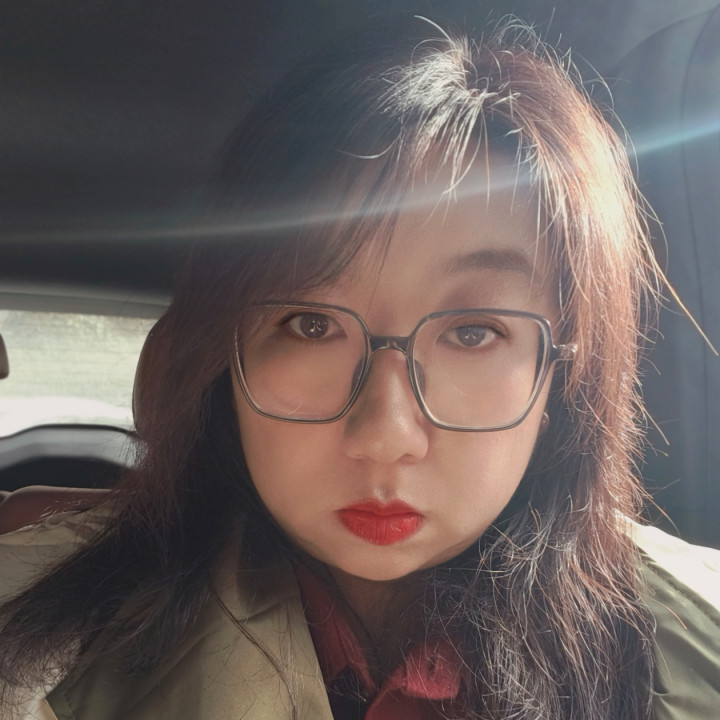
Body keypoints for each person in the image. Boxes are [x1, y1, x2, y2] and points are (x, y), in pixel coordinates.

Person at [1, 15, 719, 720]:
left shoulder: (699, 648)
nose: (384, 436)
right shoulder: (31, 640)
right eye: (311, 325)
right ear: (226, 359)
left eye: (473, 332)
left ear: (561, 371)